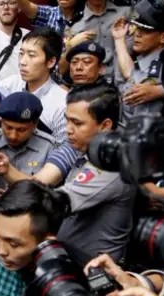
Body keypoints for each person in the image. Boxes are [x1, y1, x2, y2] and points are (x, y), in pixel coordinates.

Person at [55, 83, 136, 260]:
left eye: (77, 123)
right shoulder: (87, 149)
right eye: (67, 120)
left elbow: (51, 203)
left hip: (94, 274)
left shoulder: (111, 166)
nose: (68, 129)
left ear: (105, 125)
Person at [0, 92, 56, 192]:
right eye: (8, 127)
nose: (13, 136)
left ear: (35, 124)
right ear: (1, 121)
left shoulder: (48, 147)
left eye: (21, 130)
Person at [0, 28, 69, 144]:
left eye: (31, 55)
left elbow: (63, 150)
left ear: (51, 62)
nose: (22, 62)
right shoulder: (12, 83)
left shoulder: (62, 104)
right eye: (21, 54)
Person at [113, 9, 164, 125]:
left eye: (146, 31)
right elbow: (131, 74)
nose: (137, 34)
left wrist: (160, 91)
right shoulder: (146, 61)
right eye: (137, 28)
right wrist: (119, 40)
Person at [59, 0, 131, 80]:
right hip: (90, 83)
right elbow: (62, 69)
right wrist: (71, 46)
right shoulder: (74, 23)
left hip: (124, 78)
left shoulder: (127, 12)